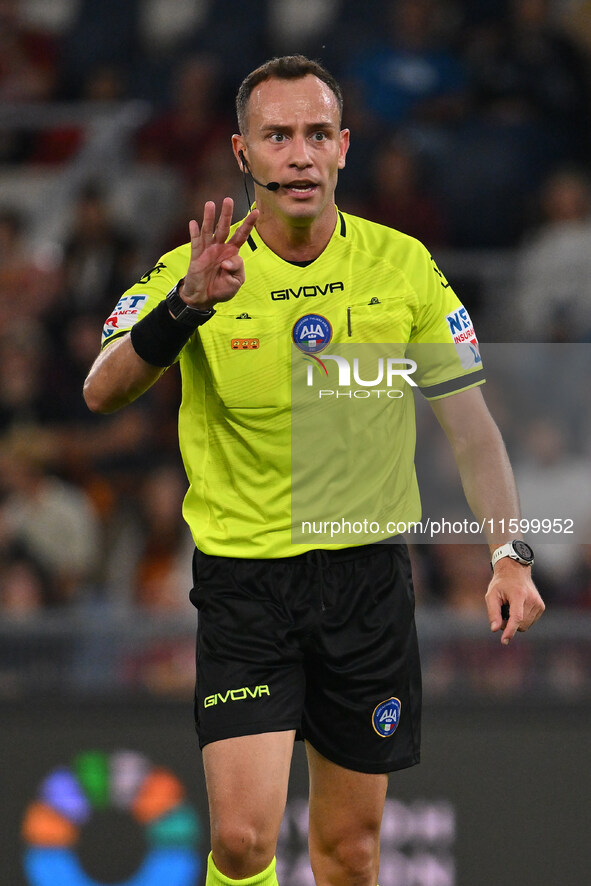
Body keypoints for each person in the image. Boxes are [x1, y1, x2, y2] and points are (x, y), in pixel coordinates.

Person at [83, 55, 545, 886]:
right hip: (247, 584)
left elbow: (471, 429)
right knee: (244, 843)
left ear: (342, 149)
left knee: (349, 853)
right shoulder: (190, 271)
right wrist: (185, 308)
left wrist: (507, 553)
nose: (298, 154)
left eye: (316, 135)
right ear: (241, 152)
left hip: (365, 582)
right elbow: (101, 389)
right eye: (277, 136)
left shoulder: (401, 265)